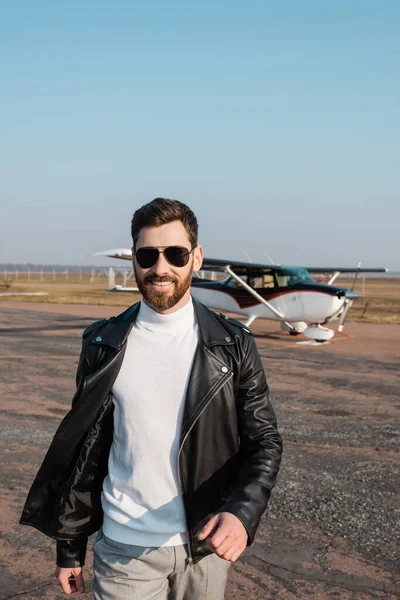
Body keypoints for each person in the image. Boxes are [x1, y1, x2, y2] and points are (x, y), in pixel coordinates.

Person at [20, 198, 283, 599]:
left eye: (175, 254)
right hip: (125, 550)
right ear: (134, 262)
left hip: (205, 546)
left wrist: (242, 514)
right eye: (148, 255)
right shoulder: (103, 343)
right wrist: (69, 548)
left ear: (196, 258)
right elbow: (85, 451)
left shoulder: (233, 345)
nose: (161, 268)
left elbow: (264, 441)